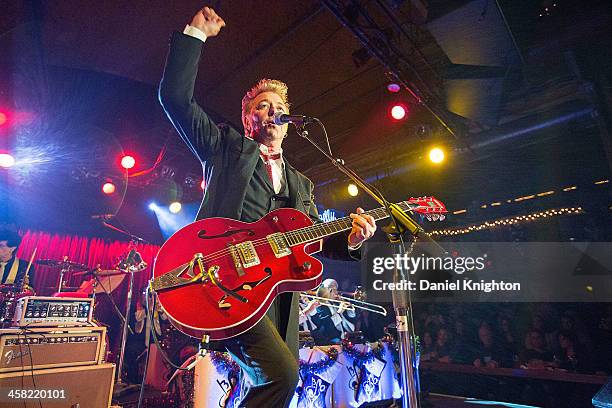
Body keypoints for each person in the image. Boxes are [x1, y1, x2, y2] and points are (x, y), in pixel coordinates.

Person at [158, 6, 376, 407]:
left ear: (290, 122)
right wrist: (196, 35)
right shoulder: (226, 148)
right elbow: (174, 98)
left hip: (277, 295)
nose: (270, 110)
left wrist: (353, 238)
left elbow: (313, 240)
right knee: (282, 374)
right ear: (247, 118)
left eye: (277, 106)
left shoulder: (302, 183)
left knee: (278, 382)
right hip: (225, 280)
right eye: (261, 105)